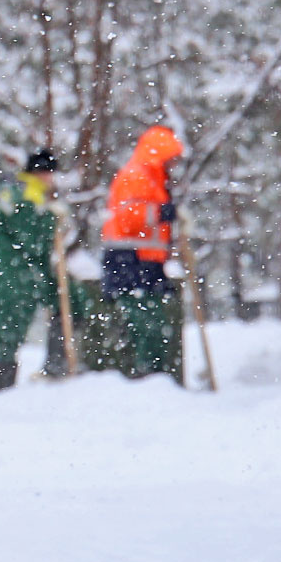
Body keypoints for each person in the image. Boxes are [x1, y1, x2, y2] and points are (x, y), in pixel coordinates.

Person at [100, 125, 185, 380]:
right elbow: (128, 218)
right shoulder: (136, 176)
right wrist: (161, 213)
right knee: (144, 323)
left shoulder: (152, 177)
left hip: (144, 260)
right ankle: (146, 376)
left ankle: (152, 376)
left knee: (152, 321)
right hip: (129, 259)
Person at [0, 148, 66, 393]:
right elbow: (29, 237)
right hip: (12, 272)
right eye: (48, 173)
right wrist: (51, 219)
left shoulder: (32, 193)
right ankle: (0, 387)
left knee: (16, 324)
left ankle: (10, 381)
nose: (51, 178)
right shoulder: (21, 193)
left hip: (23, 272)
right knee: (11, 325)